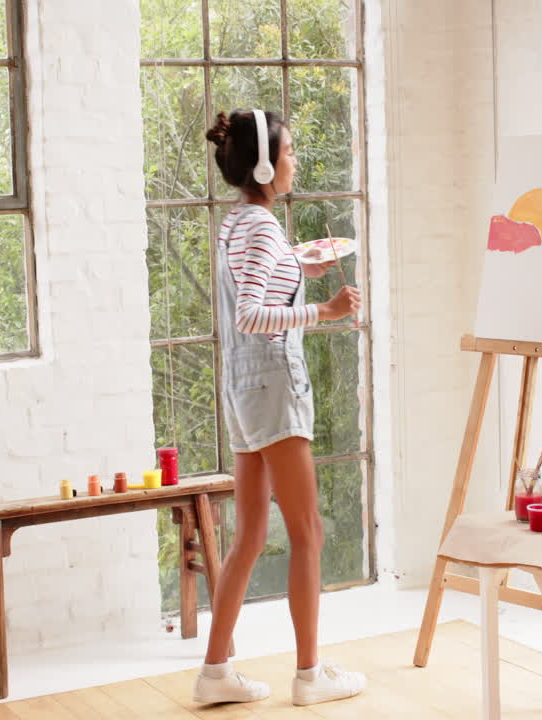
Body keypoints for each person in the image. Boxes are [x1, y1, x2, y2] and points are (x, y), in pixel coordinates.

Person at [191, 108, 365, 707]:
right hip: (272, 382)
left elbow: (255, 287)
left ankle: (215, 673)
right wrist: (326, 310)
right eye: (288, 153)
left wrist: (301, 267)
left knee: (250, 534)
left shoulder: (235, 224)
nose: (294, 163)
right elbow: (252, 316)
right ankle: (311, 675)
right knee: (308, 532)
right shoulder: (264, 228)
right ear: (265, 164)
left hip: (241, 388)